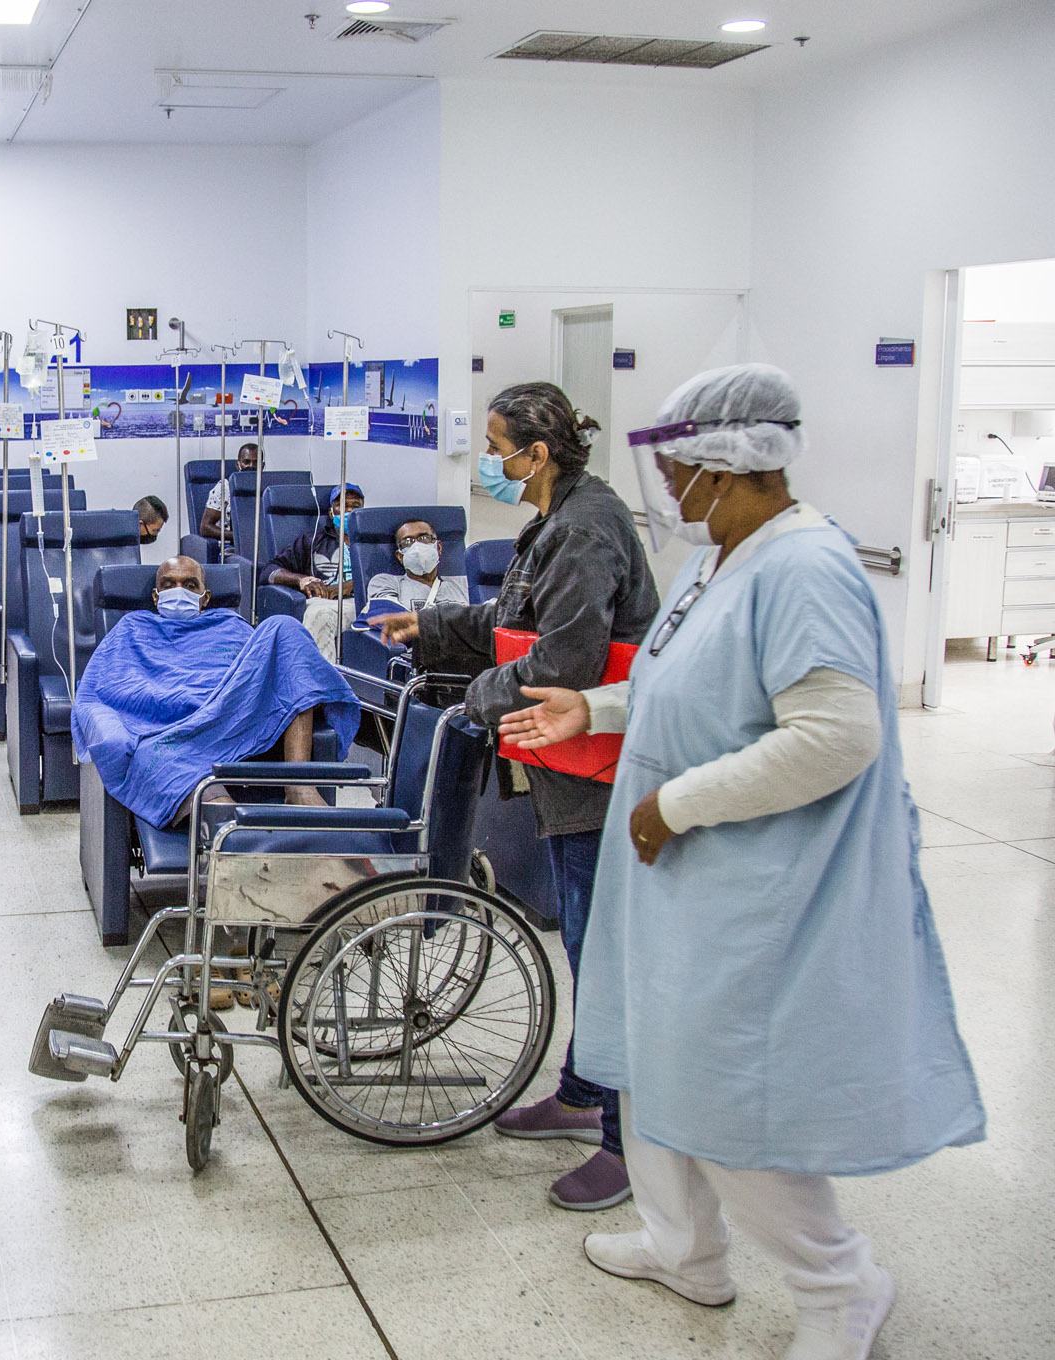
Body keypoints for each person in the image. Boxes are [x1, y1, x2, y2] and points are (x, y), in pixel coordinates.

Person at [500, 364, 983, 1360]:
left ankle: (840, 1284)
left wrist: (676, 804)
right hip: (688, 880)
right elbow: (693, 685)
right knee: (660, 1067)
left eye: (677, 461)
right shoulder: (723, 554)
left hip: (758, 884)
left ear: (726, 463)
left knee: (726, 1092)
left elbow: (835, 734)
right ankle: (688, 1251)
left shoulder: (804, 567)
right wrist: (597, 708)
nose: (665, 481)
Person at [378, 381, 657, 1212]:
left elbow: (561, 665)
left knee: (600, 951)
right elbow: (512, 617)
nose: (489, 462)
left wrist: (479, 698)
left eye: (497, 448)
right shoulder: (554, 519)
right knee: (583, 937)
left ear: (538, 452)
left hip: (598, 769)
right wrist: (427, 629)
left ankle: (624, 1143)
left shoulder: (586, 528)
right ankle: (581, 1093)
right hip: (562, 758)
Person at [72, 555, 359, 828]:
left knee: (283, 627)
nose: (179, 590)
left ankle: (298, 786)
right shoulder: (132, 628)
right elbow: (100, 687)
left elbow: (265, 671)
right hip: (173, 731)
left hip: (231, 714)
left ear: (205, 597)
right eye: (169, 585)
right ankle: (231, 828)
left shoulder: (229, 624)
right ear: (156, 597)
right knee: (159, 757)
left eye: (189, 585)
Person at [266, 483, 363, 661]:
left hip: (365, 604)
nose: (349, 511)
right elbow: (269, 571)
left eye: (355, 506)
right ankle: (321, 682)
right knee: (318, 614)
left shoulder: (371, 542)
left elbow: (384, 578)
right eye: (342, 506)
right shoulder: (313, 541)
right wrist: (302, 580)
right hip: (327, 604)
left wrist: (348, 586)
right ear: (331, 512)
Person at [361, 520, 470, 612]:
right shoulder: (385, 583)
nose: (417, 546)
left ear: (438, 547)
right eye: (408, 541)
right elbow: (391, 619)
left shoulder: (465, 585)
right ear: (400, 556)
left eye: (424, 538)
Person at [196, 442, 259, 542]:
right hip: (230, 546)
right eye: (246, 462)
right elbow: (205, 528)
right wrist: (238, 536)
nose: (251, 466)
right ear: (238, 465)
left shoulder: (267, 489)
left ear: (263, 465)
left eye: (256, 462)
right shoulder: (225, 487)